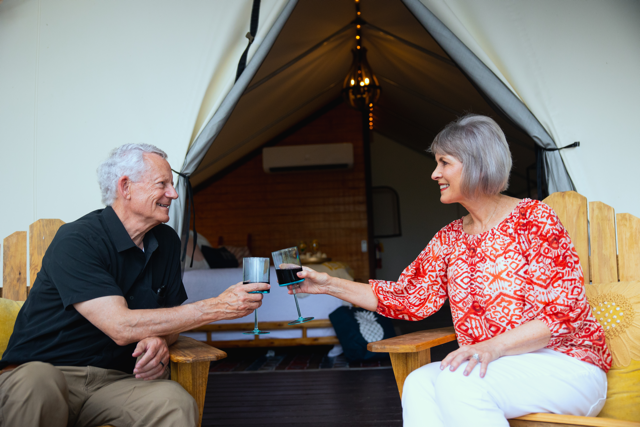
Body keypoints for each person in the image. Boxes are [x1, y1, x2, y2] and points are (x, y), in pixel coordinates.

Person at [292, 115, 611, 426]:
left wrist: (489, 347)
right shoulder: (449, 238)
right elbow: (407, 298)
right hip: (497, 367)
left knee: (458, 381)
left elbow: (563, 313)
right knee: (419, 384)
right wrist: (328, 284)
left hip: (568, 366)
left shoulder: (533, 220)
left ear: (477, 164)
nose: (434, 173)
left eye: (444, 162)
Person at [0, 144, 269, 427]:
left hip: (114, 382)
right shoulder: (77, 240)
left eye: (172, 185)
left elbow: (172, 322)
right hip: (44, 374)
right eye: (162, 184)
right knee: (41, 382)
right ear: (126, 187)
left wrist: (160, 340)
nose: (173, 194)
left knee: (173, 403)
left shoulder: (166, 242)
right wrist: (217, 307)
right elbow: (120, 326)